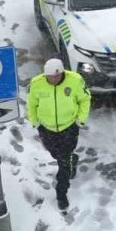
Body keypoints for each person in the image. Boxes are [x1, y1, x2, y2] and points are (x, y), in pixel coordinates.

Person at [27, 58, 91, 210]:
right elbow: (31, 105)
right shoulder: (36, 84)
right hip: (47, 129)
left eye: (56, 76)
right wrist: (36, 124)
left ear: (62, 73)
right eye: (49, 77)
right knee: (55, 154)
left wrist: (80, 121)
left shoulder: (75, 80)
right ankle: (71, 159)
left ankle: (61, 193)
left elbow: (85, 99)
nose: (52, 79)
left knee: (63, 163)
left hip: (69, 127)